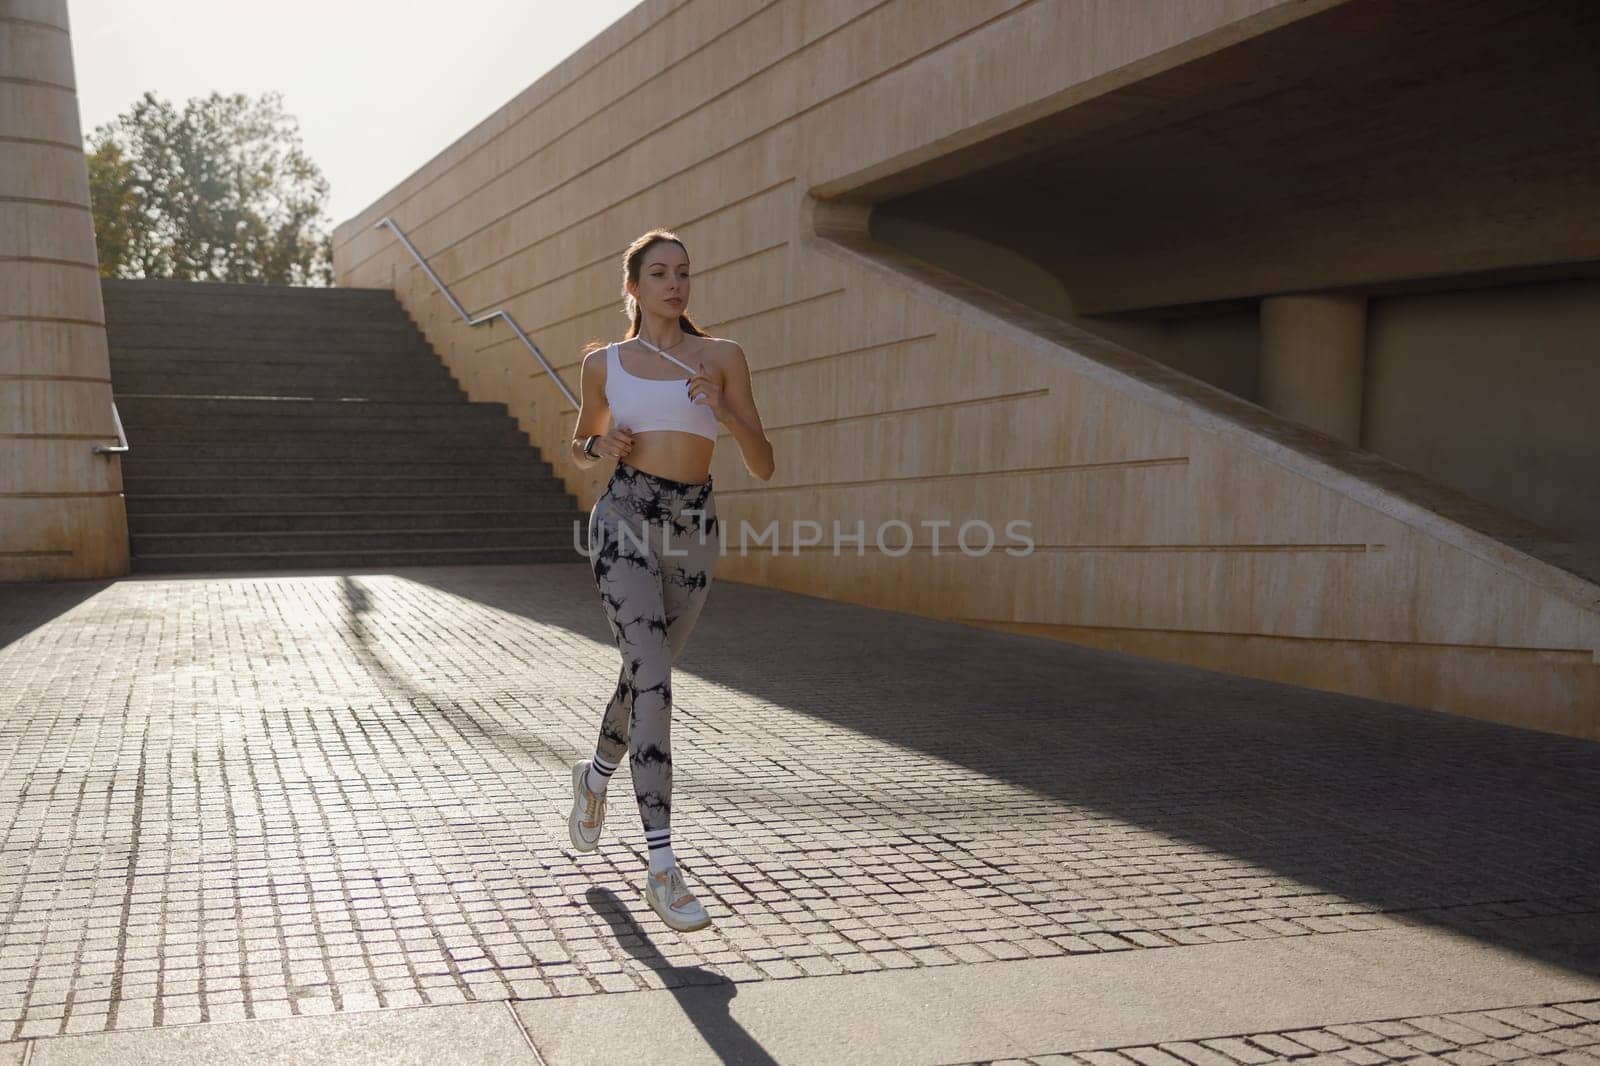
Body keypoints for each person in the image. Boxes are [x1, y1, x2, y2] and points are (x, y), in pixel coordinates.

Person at [566, 229, 775, 932]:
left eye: (683, 272)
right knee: (653, 676)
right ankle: (663, 866)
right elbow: (582, 439)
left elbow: (764, 460)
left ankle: (593, 778)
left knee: (643, 676)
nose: (674, 284)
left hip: (694, 530)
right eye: (658, 273)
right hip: (624, 515)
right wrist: (603, 444)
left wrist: (723, 407)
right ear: (632, 286)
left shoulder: (722, 357)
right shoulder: (605, 363)